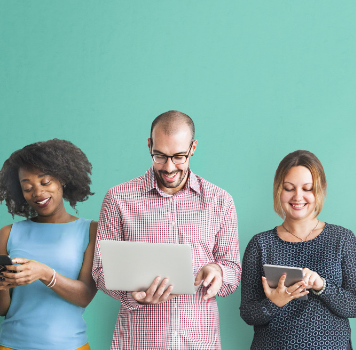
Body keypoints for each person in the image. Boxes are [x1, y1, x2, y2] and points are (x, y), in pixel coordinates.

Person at [91, 110, 241, 349]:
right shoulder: (118, 199)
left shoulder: (220, 200)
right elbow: (100, 271)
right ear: (149, 145)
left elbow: (233, 270)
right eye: (159, 156)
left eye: (179, 156)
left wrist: (218, 270)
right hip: (139, 342)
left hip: (199, 341)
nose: (169, 167)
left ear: (193, 148)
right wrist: (133, 297)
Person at [240, 150, 356, 350]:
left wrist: (322, 286)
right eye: (289, 188)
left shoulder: (343, 239)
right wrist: (274, 302)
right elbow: (247, 313)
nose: (298, 196)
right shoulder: (260, 244)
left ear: (320, 190)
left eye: (307, 188)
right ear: (278, 191)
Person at [0, 139, 97, 350]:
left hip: (70, 345)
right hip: (11, 345)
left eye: (45, 182)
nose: (37, 193)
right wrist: (2, 287)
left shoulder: (91, 231)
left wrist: (45, 273)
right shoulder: (8, 234)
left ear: (62, 179)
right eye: (27, 187)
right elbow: (2, 308)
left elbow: (85, 296)